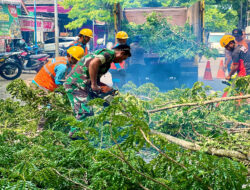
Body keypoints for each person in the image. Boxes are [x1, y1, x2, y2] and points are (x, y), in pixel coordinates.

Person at [64, 44, 131, 124]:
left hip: (84, 85)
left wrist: (107, 88)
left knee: (110, 99)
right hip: (77, 84)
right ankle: (76, 135)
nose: (121, 61)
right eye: (123, 59)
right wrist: (94, 85)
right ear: (122, 53)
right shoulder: (109, 54)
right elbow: (93, 64)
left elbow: (95, 77)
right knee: (85, 114)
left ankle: (109, 122)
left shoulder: (107, 61)